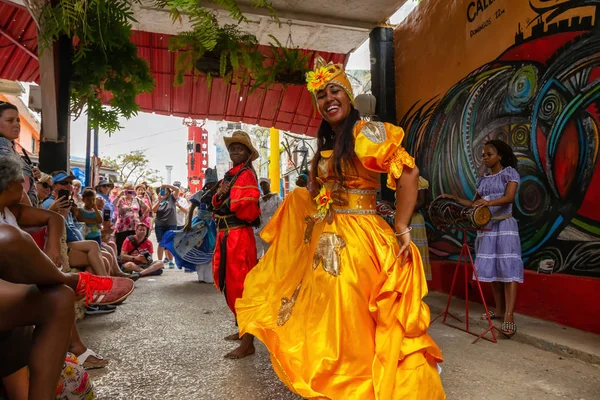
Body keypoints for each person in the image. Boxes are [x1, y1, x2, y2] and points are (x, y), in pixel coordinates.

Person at [235, 56, 445, 399]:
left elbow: (407, 172)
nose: (328, 99)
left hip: (362, 238)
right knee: (323, 313)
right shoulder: (329, 141)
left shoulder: (366, 132)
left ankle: (359, 383)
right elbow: (321, 194)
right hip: (326, 238)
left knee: (352, 310)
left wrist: (402, 224)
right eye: (321, 95)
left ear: (349, 96)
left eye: (335, 91)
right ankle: (337, 381)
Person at [442, 140, 523, 336]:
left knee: (508, 268)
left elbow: (509, 197)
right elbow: (473, 203)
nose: (485, 158)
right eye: (483, 155)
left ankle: (509, 315)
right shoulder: (483, 180)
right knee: (494, 269)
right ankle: (499, 310)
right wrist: (455, 199)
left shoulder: (509, 173)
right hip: (487, 226)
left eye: (489, 154)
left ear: (500, 156)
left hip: (504, 225)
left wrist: (487, 203)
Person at [211, 131, 261, 359]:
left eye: (239, 148)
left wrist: (224, 199)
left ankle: (248, 342)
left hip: (238, 236)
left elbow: (246, 209)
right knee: (228, 283)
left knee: (241, 286)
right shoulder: (231, 175)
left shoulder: (246, 175)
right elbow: (215, 202)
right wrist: (220, 195)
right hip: (226, 235)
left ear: (248, 154)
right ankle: (243, 331)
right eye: (232, 148)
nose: (234, 152)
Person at [160, 168, 218, 282]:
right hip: (200, 224)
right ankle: (202, 276)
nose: (211, 186)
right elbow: (191, 209)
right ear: (206, 183)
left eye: (213, 184)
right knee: (200, 248)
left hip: (213, 225)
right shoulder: (200, 194)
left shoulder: (218, 195)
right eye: (210, 184)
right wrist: (188, 224)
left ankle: (210, 277)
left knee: (212, 250)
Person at [0, 101, 37, 206]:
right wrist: (32, 214)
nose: (16, 124)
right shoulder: (2, 143)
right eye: (10, 120)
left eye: (18, 120)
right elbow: (13, 182)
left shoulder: (10, 148)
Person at [114, 183, 149, 254]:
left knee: (133, 245)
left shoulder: (137, 199)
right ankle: (120, 261)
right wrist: (119, 196)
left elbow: (147, 208)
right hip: (123, 226)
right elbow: (113, 206)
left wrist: (142, 217)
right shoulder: (121, 199)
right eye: (127, 190)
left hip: (134, 226)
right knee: (121, 245)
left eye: (131, 190)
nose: (129, 192)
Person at [152, 184, 180, 268]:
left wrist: (166, 185)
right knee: (161, 243)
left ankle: (171, 261)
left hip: (171, 224)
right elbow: (153, 210)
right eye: (161, 190)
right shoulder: (157, 200)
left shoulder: (172, 197)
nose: (162, 191)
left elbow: (177, 189)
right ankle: (160, 262)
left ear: (168, 191)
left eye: (164, 189)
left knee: (170, 242)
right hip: (160, 224)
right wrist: (159, 201)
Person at [255, 178, 282, 258]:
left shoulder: (277, 198)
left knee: (269, 250)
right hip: (259, 228)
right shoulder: (259, 200)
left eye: (265, 184)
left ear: (269, 185)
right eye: (261, 185)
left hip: (271, 227)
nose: (263, 186)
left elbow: (280, 211)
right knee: (257, 250)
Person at [411, 176, 432, 280]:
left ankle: (418, 281)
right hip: (403, 220)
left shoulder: (419, 180)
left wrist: (404, 213)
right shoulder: (398, 180)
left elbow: (421, 201)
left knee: (416, 250)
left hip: (414, 220)